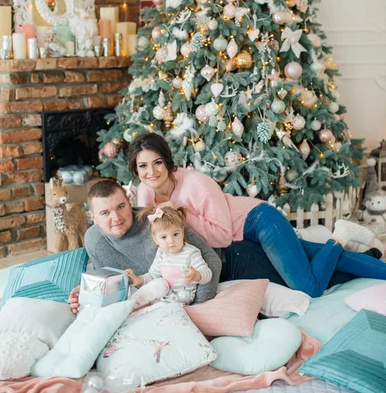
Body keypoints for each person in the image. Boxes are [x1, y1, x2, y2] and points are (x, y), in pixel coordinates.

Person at [129, 132, 386, 298]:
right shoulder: (145, 193)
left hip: (259, 221)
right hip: (244, 238)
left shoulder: (196, 184)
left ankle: (339, 236)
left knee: (308, 286)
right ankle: (368, 258)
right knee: (314, 258)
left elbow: (223, 235)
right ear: (135, 170)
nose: (151, 171)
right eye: (143, 166)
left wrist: (180, 214)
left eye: (157, 162)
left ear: (168, 161)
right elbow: (151, 234)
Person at [69, 179, 221, 313]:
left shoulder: (158, 220)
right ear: (93, 217)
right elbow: (107, 281)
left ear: (129, 202)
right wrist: (86, 294)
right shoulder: (93, 239)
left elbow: (211, 259)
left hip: (183, 300)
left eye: (121, 206)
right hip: (145, 304)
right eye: (105, 213)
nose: (116, 218)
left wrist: (197, 308)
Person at [126, 205, 212, 304]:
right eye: (163, 237)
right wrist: (139, 279)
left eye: (175, 234)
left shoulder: (191, 253)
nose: (171, 241)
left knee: (161, 289)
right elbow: (153, 275)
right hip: (163, 295)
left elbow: (208, 274)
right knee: (159, 284)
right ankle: (132, 303)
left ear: (182, 232)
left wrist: (197, 275)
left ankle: (136, 305)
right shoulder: (161, 253)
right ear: (155, 239)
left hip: (182, 299)